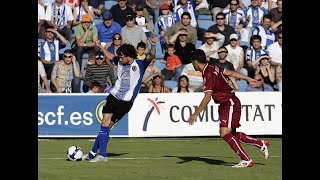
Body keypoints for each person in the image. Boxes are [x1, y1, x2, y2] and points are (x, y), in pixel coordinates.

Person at [187, 49, 270, 168]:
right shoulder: (212, 67)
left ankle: (246, 159)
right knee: (231, 133)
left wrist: (195, 114)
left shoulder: (208, 73)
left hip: (229, 102)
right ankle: (260, 143)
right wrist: (248, 78)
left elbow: (207, 97)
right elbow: (230, 73)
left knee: (224, 133)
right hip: (227, 103)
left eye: (192, 62)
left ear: (195, 62)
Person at [82, 37, 157, 162]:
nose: (120, 58)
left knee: (108, 125)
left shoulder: (140, 64)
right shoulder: (119, 61)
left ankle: (94, 153)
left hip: (126, 102)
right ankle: (100, 155)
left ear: (128, 55)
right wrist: (100, 47)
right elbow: (111, 56)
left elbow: (152, 56)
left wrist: (153, 46)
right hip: (114, 96)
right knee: (104, 123)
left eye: (122, 56)